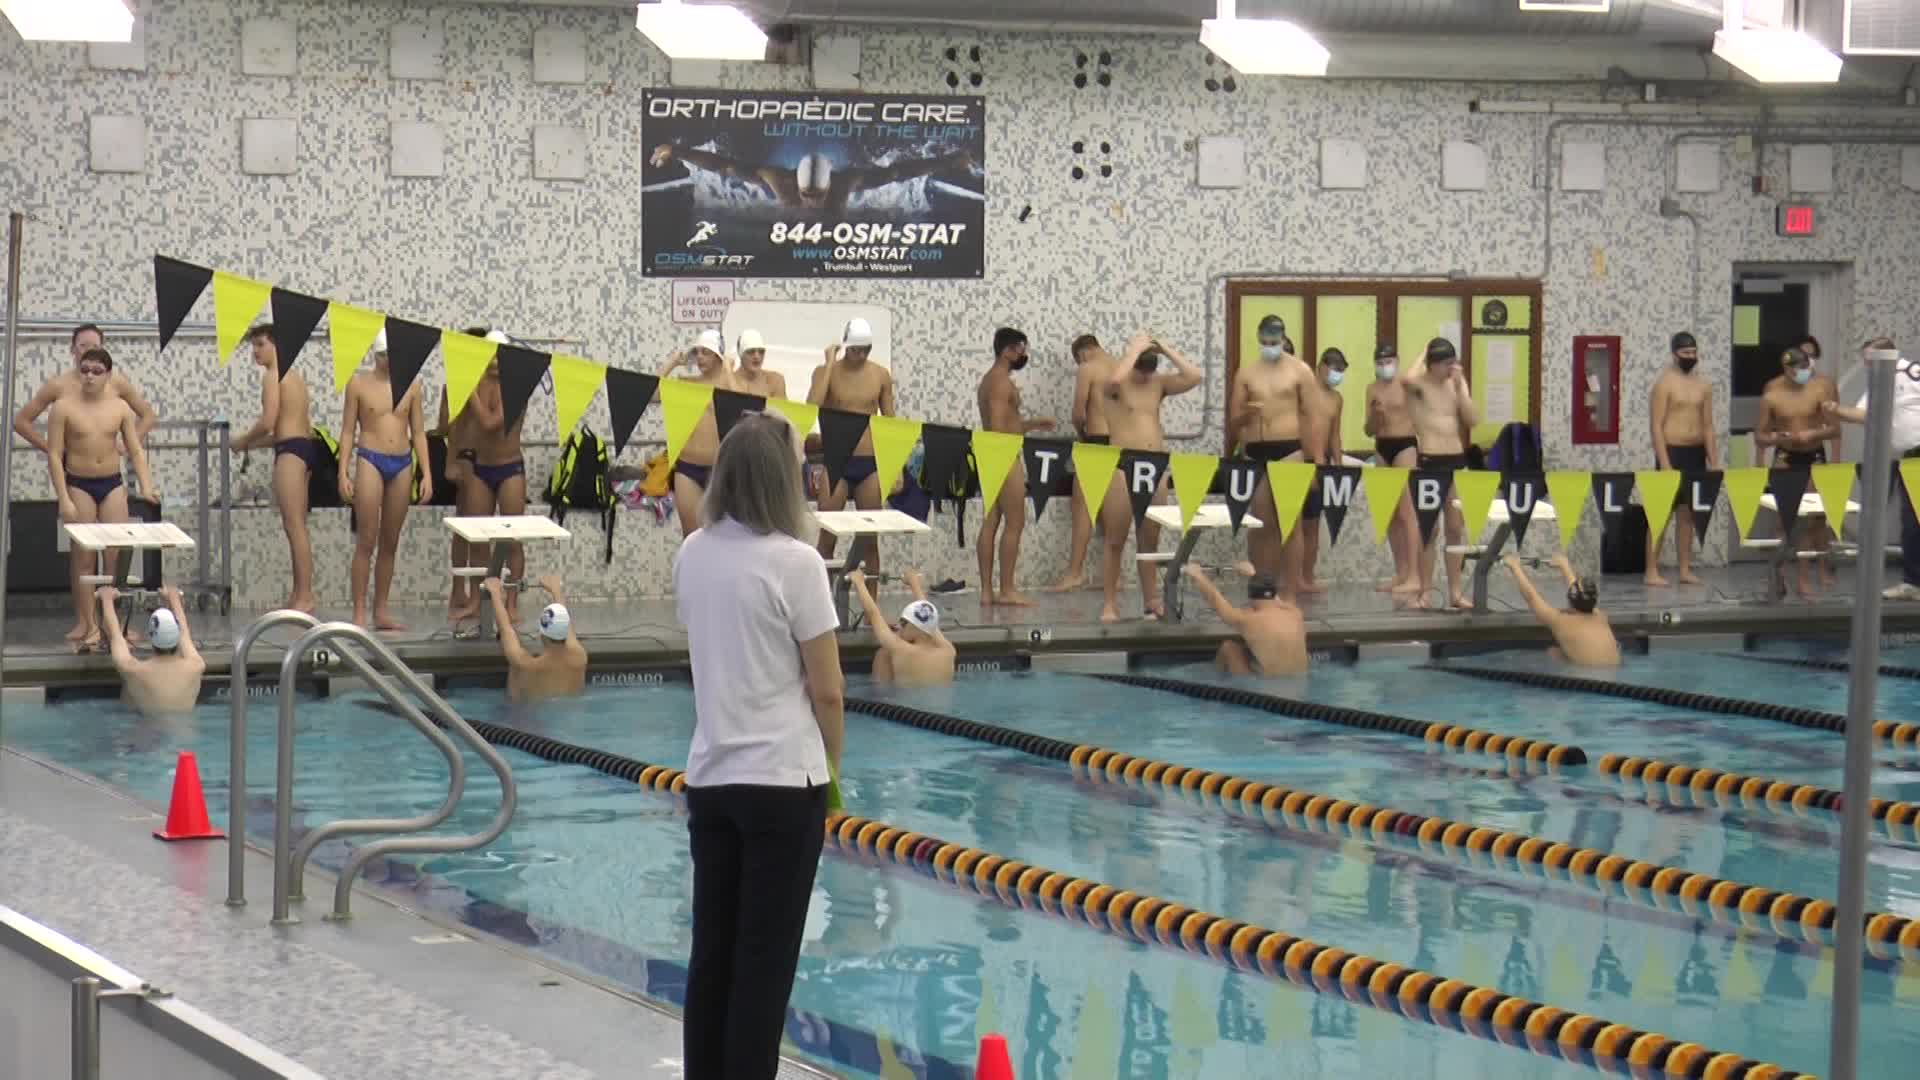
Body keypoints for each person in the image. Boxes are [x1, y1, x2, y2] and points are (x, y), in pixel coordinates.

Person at [671, 412, 843, 1080]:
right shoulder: (797, 563)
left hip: (711, 780)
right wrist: (833, 771)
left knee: (712, 955)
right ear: (785, 478)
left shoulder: (693, 552)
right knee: (763, 966)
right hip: (782, 785)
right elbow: (826, 691)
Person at [48, 348, 158, 652]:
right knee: (85, 559)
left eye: (96, 371)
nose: (89, 376)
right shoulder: (63, 408)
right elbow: (55, 455)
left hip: (111, 483)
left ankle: (114, 624)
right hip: (79, 484)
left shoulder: (120, 408)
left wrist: (146, 486)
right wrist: (63, 499)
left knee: (115, 556)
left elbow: (135, 450)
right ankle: (92, 627)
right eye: (85, 370)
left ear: (108, 375)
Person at [1098, 331, 1203, 622]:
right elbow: (1115, 380)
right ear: (1132, 363)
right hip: (1121, 464)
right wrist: (1134, 349)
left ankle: (1151, 601)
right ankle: (1109, 603)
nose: (1146, 376)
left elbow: (1194, 376)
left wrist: (1165, 348)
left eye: (1150, 369)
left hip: (1156, 465)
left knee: (1150, 540)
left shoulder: (1159, 384)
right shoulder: (1114, 385)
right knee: (1115, 539)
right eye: (1141, 370)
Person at [339, 330, 432, 630]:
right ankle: (359, 614)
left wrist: (426, 472)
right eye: (383, 357)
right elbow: (347, 431)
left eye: (392, 357)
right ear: (374, 355)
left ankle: (380, 611)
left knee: (390, 541)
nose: (388, 363)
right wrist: (343, 472)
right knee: (366, 540)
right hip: (370, 459)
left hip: (403, 463)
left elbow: (418, 431)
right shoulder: (357, 383)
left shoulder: (413, 385)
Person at [1227, 314, 1320, 594]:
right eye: (1265, 342)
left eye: (1274, 341)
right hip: (1255, 451)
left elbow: (1313, 418)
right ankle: (1263, 587)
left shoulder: (1300, 371)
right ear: (1258, 339)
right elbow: (1233, 420)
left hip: (1289, 449)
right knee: (1260, 523)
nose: (1270, 346)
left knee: (1290, 523)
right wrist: (1248, 412)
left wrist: (1313, 461)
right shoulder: (1246, 372)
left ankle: (1290, 593)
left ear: (1283, 339)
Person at [1821, 338, 1919, 601]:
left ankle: (1913, 583)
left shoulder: (1893, 378)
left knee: (1913, 522)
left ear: (1885, 357)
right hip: (1908, 459)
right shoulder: (1907, 372)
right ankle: (1913, 582)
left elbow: (1865, 415)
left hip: (1916, 458)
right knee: (1911, 522)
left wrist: (1834, 409)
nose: (1865, 365)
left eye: (1869, 359)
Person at [231, 325, 318, 613]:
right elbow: (285, 428)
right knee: (298, 526)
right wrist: (251, 446)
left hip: (291, 453)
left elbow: (268, 421)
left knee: (294, 526)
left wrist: (243, 438)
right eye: (253, 346)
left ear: (276, 345)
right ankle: (299, 595)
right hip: (303, 449)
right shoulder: (295, 377)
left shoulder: (272, 376)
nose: (255, 352)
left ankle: (305, 597)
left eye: (260, 345)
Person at [808, 318, 897, 573]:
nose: (860, 355)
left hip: (869, 463)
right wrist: (828, 364)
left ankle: (872, 612)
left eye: (865, 350)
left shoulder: (880, 374)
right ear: (846, 346)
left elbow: (890, 423)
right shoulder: (826, 372)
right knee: (827, 537)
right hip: (837, 463)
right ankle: (820, 606)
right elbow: (812, 405)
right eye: (856, 349)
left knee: (870, 541)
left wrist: (895, 468)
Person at [974, 327, 1056, 607]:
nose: (1023, 354)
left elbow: (1006, 424)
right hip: (1002, 454)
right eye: (1020, 348)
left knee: (992, 520)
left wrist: (1033, 424)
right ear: (1007, 350)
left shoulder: (991, 380)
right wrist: (1007, 450)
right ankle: (1007, 589)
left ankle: (987, 592)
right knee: (1015, 521)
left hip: (993, 452)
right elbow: (999, 427)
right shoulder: (999, 383)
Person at [650, 143, 974, 212]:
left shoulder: (847, 183)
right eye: (808, 194)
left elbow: (897, 173)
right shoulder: (778, 180)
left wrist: (947, 160)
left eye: (817, 194)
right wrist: (677, 151)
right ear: (796, 183)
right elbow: (724, 166)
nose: (812, 201)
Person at [1755, 346, 1839, 599]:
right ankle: (1777, 575)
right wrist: (1775, 437)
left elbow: (1834, 429)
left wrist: (1812, 433)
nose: (1805, 372)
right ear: (1787, 369)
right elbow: (1760, 435)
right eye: (1799, 368)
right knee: (1783, 520)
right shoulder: (1772, 395)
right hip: (1785, 456)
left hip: (1813, 455)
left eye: (1807, 367)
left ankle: (1803, 580)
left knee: (1811, 517)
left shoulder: (1820, 389)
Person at [1405, 338, 1478, 611]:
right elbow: (1406, 378)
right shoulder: (1419, 387)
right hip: (1429, 463)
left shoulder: (1456, 384)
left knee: (1456, 529)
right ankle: (1425, 593)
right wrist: (1424, 347)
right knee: (1429, 530)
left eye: (1454, 362)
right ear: (1432, 364)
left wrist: (1461, 389)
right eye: (1447, 363)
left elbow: (1472, 419)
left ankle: (1455, 592)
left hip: (1456, 461)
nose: (1452, 368)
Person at [12, 324, 157, 456]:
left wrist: (128, 445)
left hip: (109, 471)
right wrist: (52, 450)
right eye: (83, 345)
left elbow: (148, 415)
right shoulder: (58, 385)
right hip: (72, 471)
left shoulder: (116, 383)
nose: (89, 351)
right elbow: (21, 421)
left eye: (95, 346)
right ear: (72, 349)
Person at [1646, 331, 1716, 588]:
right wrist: (1664, 463)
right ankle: (1651, 570)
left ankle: (1684, 569)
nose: (1691, 357)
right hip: (1671, 451)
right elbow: (1656, 425)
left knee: (1688, 514)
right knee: (1661, 514)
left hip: (1695, 453)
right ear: (1674, 354)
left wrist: (1713, 460)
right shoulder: (1664, 384)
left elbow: (1708, 425)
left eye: (1694, 353)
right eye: (1686, 353)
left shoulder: (1703, 386)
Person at [1053, 333, 1117, 591]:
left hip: (1097, 441)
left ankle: (1074, 573)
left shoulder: (1088, 368)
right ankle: (1115, 577)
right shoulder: (1122, 365)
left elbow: (1078, 413)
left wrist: (1082, 435)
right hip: (1122, 443)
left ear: (1082, 353)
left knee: (1082, 509)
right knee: (1112, 510)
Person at [661, 329, 739, 537]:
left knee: (727, 536)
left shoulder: (728, 385)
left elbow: (740, 406)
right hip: (688, 469)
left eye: (706, 352)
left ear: (717, 356)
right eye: (697, 352)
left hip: (721, 470)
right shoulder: (688, 384)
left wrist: (728, 368)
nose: (699, 357)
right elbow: (650, 395)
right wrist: (671, 363)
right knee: (692, 537)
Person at [1179, 562, 1308, 676]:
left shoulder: (1248, 620)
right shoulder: (1295, 613)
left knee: (1228, 648)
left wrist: (1197, 575)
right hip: (1297, 689)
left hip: (1262, 690)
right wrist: (1253, 575)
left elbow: (1215, 599)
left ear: (1250, 596)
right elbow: (1274, 600)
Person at [1364, 342, 1421, 595]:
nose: (1384, 366)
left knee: (1408, 513)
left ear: (1396, 361)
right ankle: (1400, 573)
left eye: (1388, 361)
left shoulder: (1406, 386)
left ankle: (1414, 575)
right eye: (1380, 362)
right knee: (1389, 516)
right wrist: (1376, 415)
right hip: (1381, 446)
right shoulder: (1371, 388)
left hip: (1405, 446)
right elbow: (1369, 430)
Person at [96, 585, 205, 715]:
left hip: (151, 733)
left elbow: (115, 635)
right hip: (185, 734)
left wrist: (106, 599)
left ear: (151, 636)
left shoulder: (135, 670)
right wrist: (173, 597)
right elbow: (184, 633)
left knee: (128, 690)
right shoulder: (196, 665)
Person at [479, 574, 587, 703]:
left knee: (515, 678)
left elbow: (506, 630)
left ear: (542, 633)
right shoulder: (580, 658)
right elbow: (566, 627)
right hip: (568, 715)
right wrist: (556, 590)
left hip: (523, 719)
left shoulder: (525, 664)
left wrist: (496, 595)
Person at [1501, 553, 1620, 668]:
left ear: (1570, 598)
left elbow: (1531, 597)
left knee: (1552, 653)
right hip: (1612, 678)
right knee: (1555, 652)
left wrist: (1514, 566)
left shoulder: (1561, 621)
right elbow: (1580, 595)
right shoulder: (1600, 617)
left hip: (1586, 680)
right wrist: (1564, 566)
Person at [1294, 348, 1349, 596]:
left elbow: (1335, 434)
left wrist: (1337, 464)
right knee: (1291, 525)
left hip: (1323, 465)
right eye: (1334, 368)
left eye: (1341, 370)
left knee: (1312, 525)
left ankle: (1307, 577)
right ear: (1320, 366)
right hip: (1297, 462)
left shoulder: (1337, 399)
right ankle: (1291, 577)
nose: (1337, 374)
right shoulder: (1303, 392)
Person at [846, 568, 955, 687]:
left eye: (903, 623)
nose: (899, 626)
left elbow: (873, 614)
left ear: (915, 627)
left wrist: (859, 583)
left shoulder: (902, 650)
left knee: (883, 653)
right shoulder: (948, 650)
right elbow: (929, 616)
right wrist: (914, 583)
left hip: (900, 704)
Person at [730, 329, 786, 400]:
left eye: (761, 352)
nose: (757, 356)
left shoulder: (774, 381)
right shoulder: (729, 382)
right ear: (741, 354)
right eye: (751, 351)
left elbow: (783, 410)